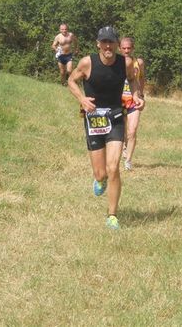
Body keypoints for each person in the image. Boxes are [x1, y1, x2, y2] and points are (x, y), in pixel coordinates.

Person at [68, 26, 145, 230]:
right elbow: (71, 81)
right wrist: (82, 98)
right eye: (104, 42)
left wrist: (137, 95)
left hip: (116, 117)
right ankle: (99, 180)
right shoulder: (87, 62)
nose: (108, 46)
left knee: (113, 168)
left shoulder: (125, 63)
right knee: (101, 173)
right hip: (94, 120)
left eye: (111, 42)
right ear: (98, 44)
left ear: (116, 44)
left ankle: (112, 215)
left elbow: (132, 80)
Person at [120, 37, 146, 171]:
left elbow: (141, 78)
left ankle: (128, 161)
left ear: (133, 48)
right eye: (123, 48)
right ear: (119, 48)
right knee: (123, 130)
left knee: (132, 131)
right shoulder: (115, 62)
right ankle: (124, 147)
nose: (126, 50)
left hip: (133, 100)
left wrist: (141, 94)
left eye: (128, 48)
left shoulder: (139, 62)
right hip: (119, 100)